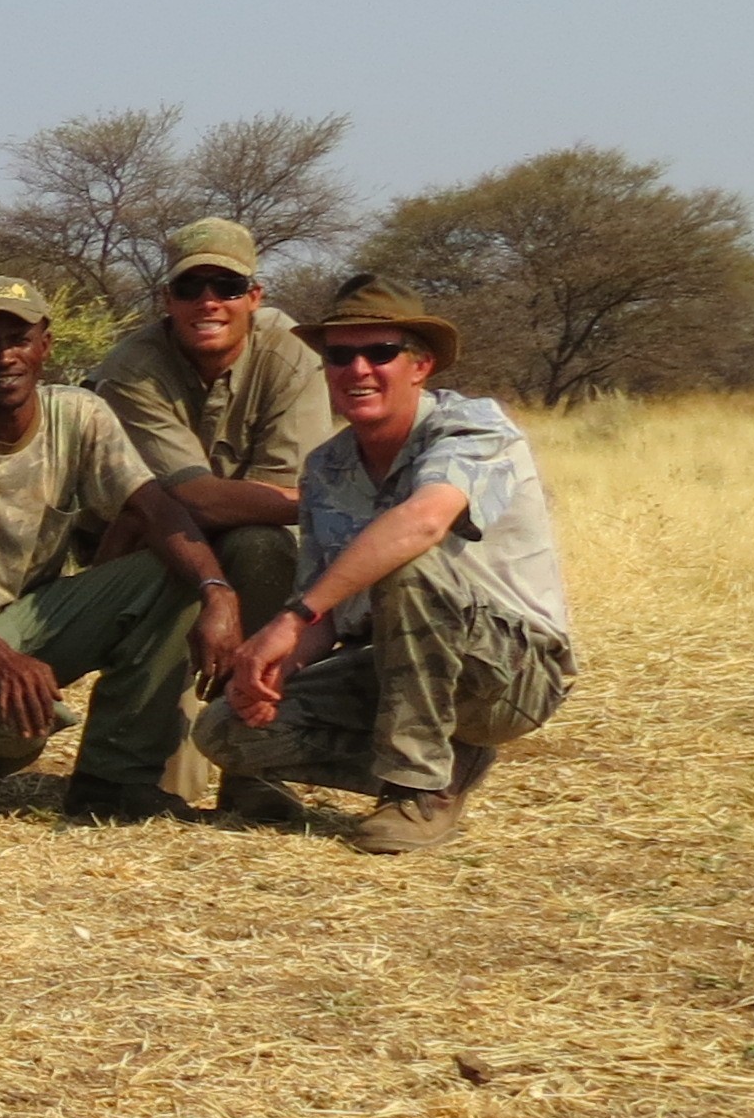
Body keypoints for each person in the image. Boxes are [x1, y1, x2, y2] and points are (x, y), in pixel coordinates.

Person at [195, 277, 572, 854]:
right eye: (340, 356)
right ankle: (445, 767)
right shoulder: (327, 467)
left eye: (380, 353)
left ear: (420, 366)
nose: (358, 369)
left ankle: (417, 791)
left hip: (510, 672)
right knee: (224, 731)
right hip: (401, 662)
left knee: (406, 564)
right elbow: (328, 610)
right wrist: (274, 668)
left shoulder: (474, 427)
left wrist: (290, 620)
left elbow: (422, 523)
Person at [0, 278, 239, 822]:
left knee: (174, 572)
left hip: (35, 621)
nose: (3, 357)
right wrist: (0, 657)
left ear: (45, 345)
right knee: (18, 733)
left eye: (18, 338)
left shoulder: (79, 414)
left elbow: (155, 508)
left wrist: (218, 594)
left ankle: (114, 783)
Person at [84, 218, 337, 824]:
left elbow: (272, 501)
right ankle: (126, 764)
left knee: (262, 547)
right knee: (151, 792)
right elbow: (190, 500)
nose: (208, 302)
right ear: (164, 299)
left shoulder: (293, 351)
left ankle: (253, 769)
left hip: (249, 547)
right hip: (142, 541)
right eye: (190, 287)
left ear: (255, 295)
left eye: (225, 286)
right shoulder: (133, 366)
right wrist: (332, 506)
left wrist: (271, 505)